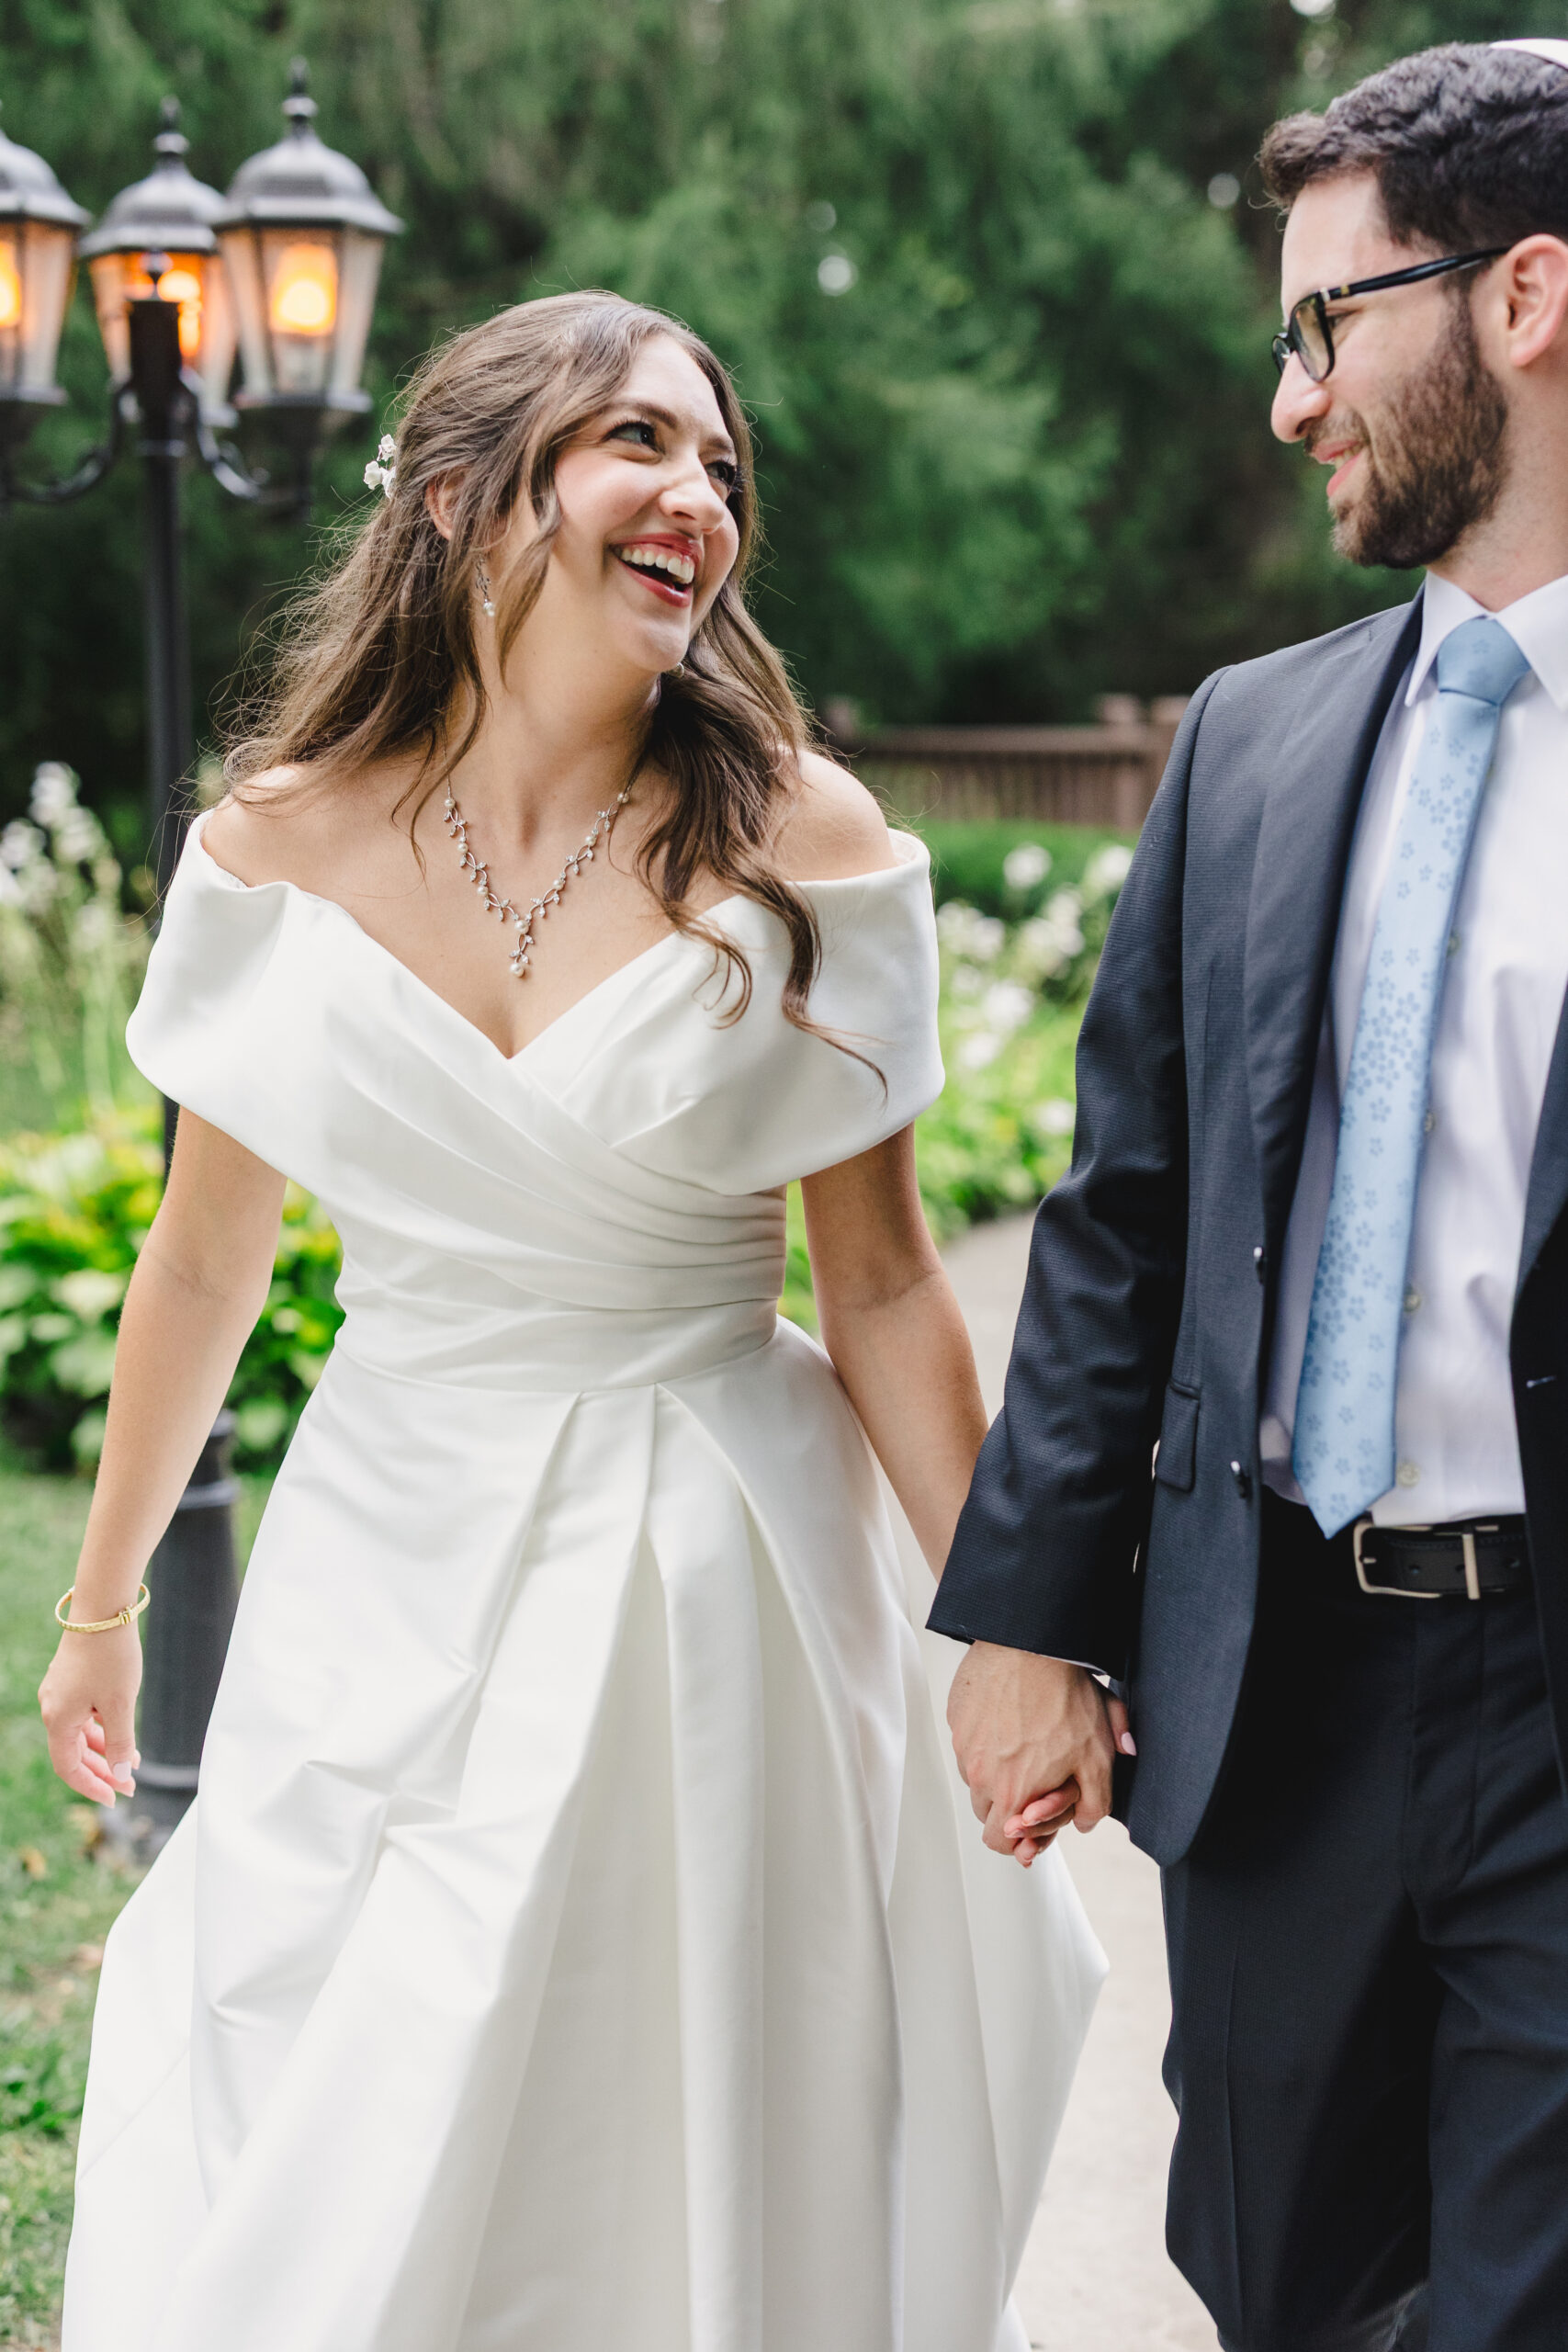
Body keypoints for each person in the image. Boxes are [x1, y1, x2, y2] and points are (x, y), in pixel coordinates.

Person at [41, 291, 1103, 2352]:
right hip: (387, 1537)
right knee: (342, 2076)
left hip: (704, 1559)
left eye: (718, 466)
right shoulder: (276, 844)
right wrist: (97, 1605)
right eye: (636, 441)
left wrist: (1014, 1618)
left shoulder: (801, 838)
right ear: (460, 499)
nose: (694, 496)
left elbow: (876, 1277)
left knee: (668, 2108)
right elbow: (200, 1256)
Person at [932, 39, 1568, 2352]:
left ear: (1521, 297)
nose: (1288, 401)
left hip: (1554, 1677)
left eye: (1324, 325)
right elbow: (1125, 1218)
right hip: (1276, 1677)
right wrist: (1027, 1612)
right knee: (1282, 2280)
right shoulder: (1248, 739)